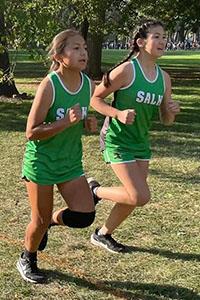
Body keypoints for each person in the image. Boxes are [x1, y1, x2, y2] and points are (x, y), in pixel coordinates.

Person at [88, 20, 180, 253]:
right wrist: (117, 113)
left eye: (164, 36)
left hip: (140, 143)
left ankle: (102, 234)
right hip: (116, 139)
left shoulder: (164, 78)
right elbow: (95, 99)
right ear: (141, 42)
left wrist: (171, 111)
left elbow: (166, 121)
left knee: (133, 196)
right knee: (140, 195)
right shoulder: (126, 70)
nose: (163, 41)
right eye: (156, 36)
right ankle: (95, 191)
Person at [17, 29, 98, 283]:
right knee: (37, 220)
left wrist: (87, 122)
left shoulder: (88, 84)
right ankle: (26, 258)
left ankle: (51, 222)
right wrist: (64, 122)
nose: (83, 52)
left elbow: (80, 116)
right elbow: (31, 132)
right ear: (60, 55)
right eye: (75, 48)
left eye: (84, 47)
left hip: (70, 162)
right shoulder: (49, 85)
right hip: (41, 163)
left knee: (85, 215)